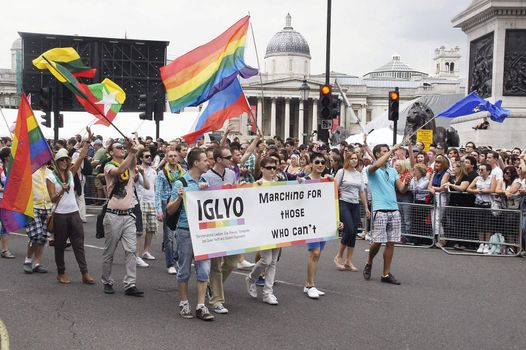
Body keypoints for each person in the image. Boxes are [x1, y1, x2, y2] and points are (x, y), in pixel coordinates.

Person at [167, 148, 214, 321]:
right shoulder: (181, 183)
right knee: (184, 269)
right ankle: (184, 303)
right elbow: (169, 210)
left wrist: (206, 191)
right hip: (185, 231)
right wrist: (180, 198)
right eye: (204, 160)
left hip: (203, 232)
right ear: (196, 163)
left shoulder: (205, 182)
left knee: (203, 270)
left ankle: (201, 306)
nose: (208, 163)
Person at [46, 129, 95, 285]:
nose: (64, 163)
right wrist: (62, 191)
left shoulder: (70, 172)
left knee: (78, 244)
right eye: (61, 160)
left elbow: (81, 157)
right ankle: (61, 273)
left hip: (74, 214)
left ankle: (85, 273)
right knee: (59, 245)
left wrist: (87, 141)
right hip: (60, 215)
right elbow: (52, 198)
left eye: (66, 160)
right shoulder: (50, 177)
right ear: (55, 162)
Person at [101, 139, 144, 296]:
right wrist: (132, 152)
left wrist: (133, 148)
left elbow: (133, 160)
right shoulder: (108, 165)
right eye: (118, 148)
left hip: (128, 215)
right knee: (109, 251)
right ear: (111, 152)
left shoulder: (130, 164)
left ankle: (130, 284)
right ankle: (107, 281)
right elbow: (119, 171)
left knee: (131, 251)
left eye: (122, 147)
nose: (121, 149)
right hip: (113, 215)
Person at [363, 143, 410, 285]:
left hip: (394, 209)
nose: (388, 153)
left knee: (391, 242)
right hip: (380, 210)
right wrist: (392, 150)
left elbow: (401, 189)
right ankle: (369, 261)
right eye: (384, 151)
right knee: (377, 242)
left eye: (387, 151)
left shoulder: (393, 171)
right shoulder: (371, 169)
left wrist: (406, 183)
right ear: (377, 154)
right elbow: (376, 165)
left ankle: (386, 273)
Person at [201, 146, 238, 314]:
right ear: (218, 160)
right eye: (228, 157)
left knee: (232, 261)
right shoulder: (206, 177)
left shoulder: (231, 174)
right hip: (213, 224)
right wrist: (201, 189)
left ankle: (212, 286)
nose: (231, 159)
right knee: (215, 264)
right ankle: (217, 300)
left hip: (230, 222)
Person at [245, 157, 282, 304]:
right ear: (262, 169)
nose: (272, 170)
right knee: (266, 259)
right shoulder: (256, 184)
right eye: (269, 167)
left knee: (273, 261)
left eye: (274, 167)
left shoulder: (280, 184)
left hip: (278, 225)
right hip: (263, 227)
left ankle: (268, 292)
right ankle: (251, 278)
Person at [334, 151, 369, 273]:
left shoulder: (358, 174)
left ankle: (349, 260)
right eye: (352, 158)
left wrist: (366, 207)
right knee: (349, 229)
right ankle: (339, 255)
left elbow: (362, 191)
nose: (354, 160)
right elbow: (334, 188)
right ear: (347, 159)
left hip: (355, 204)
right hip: (344, 203)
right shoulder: (341, 172)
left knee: (354, 232)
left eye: (356, 158)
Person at [155, 149, 184, 274]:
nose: (173, 158)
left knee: (181, 234)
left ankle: (176, 257)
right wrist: (159, 210)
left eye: (175, 156)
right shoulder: (162, 173)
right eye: (170, 156)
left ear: (178, 158)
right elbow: (158, 193)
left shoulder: (184, 172)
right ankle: (170, 263)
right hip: (166, 203)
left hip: (181, 203)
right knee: (169, 236)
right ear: (166, 158)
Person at [23, 164, 54, 274]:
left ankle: (37, 263)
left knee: (44, 237)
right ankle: (28, 260)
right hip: (33, 206)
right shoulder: (30, 170)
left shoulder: (51, 172)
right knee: (36, 235)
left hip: (48, 207)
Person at [136, 149, 157, 263]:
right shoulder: (137, 169)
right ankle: (137, 255)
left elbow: (155, 187)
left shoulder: (154, 171)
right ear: (141, 158)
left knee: (151, 229)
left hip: (152, 201)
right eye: (146, 156)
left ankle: (146, 251)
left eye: (150, 156)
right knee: (140, 230)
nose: (149, 158)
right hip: (141, 201)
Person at [467, 163, 494, 253]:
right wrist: (476, 191)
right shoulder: (477, 178)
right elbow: (468, 188)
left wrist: (485, 191)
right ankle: (481, 243)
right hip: (478, 203)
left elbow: (492, 190)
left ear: (488, 171)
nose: (480, 171)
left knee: (487, 225)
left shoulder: (492, 178)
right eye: (480, 169)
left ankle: (487, 244)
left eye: (482, 170)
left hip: (488, 204)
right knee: (479, 224)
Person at [427, 155, 450, 246]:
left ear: (443, 164)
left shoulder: (446, 173)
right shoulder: (434, 173)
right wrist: (432, 188)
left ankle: (441, 238)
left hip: (441, 197)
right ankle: (437, 239)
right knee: (433, 218)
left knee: (437, 218)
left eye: (439, 162)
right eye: (436, 162)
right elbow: (429, 186)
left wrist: (433, 188)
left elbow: (442, 187)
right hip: (433, 196)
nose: (436, 164)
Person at [0, 147, 14, 259]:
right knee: (5, 225)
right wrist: (7, 189)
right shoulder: (0, 169)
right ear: (6, 157)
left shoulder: (10, 168)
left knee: (5, 224)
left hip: (7, 200)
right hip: (1, 199)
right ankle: (4, 250)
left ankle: (4, 249)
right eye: (10, 154)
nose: (12, 155)